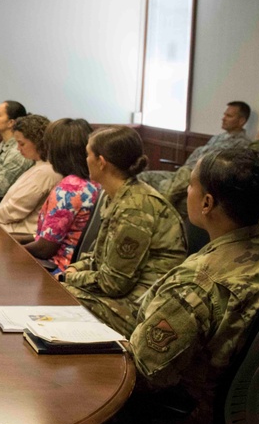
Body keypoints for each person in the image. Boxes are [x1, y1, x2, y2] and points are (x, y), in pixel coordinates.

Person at [128, 148, 259, 424]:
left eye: (190, 184)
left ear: (207, 203)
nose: (186, 191)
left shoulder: (196, 284)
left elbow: (144, 373)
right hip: (240, 410)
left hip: (184, 416)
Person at [63, 126, 187, 338]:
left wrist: (70, 278)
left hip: (143, 307)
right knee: (57, 292)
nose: (85, 160)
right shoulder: (117, 195)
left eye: (88, 154)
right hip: (125, 294)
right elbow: (100, 257)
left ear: (101, 162)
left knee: (60, 297)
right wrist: (76, 268)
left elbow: (114, 284)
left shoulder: (135, 209)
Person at [24, 119, 100, 276]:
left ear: (57, 151)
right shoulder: (95, 181)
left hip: (58, 269)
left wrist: (11, 250)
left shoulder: (69, 188)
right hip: (82, 267)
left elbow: (45, 249)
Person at [138, 101, 251, 196]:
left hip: (198, 177)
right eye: (224, 115)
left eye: (229, 116)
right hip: (183, 172)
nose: (223, 118)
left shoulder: (242, 144)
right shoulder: (218, 137)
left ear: (241, 121)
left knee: (167, 191)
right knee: (142, 177)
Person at [0, 114, 61, 237]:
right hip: (8, 228)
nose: (18, 148)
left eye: (22, 144)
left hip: (16, 234)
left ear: (37, 142)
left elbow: (13, 212)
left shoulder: (45, 172)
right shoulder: (39, 166)